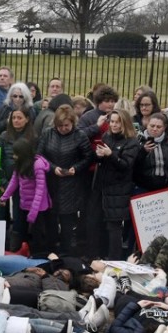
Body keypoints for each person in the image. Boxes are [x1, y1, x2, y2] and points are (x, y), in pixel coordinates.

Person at [38, 104, 92, 255]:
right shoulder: (47, 134)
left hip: (71, 184)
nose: (63, 128)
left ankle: (67, 252)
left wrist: (77, 168)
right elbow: (39, 155)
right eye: (60, 125)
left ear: (72, 123)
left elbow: (88, 157)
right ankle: (51, 251)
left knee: (68, 222)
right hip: (51, 182)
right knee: (50, 220)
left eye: (66, 125)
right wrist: (52, 167)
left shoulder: (80, 135)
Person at [86, 109, 139, 259]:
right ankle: (96, 256)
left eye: (118, 122)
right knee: (96, 223)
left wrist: (111, 155)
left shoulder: (132, 142)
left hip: (118, 189)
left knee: (114, 227)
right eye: (112, 122)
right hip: (101, 187)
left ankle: (114, 259)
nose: (114, 125)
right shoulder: (106, 136)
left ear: (125, 123)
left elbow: (126, 165)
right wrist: (99, 155)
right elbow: (101, 161)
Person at [0, 137, 52, 256]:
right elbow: (14, 182)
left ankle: (40, 255)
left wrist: (33, 212)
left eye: (16, 154)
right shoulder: (19, 164)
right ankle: (25, 253)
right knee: (23, 231)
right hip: (25, 204)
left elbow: (40, 190)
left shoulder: (38, 165)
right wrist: (4, 197)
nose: (14, 156)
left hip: (38, 207)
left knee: (37, 233)